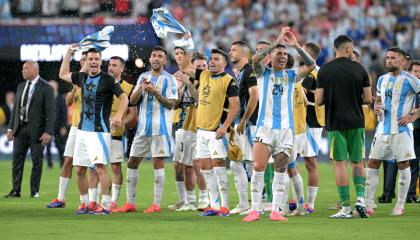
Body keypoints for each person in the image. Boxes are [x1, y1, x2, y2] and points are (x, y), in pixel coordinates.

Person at [242, 27, 315, 222]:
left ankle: (275, 211)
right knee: (258, 166)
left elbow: (311, 64)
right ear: (271, 56)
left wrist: (296, 46)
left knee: (281, 169)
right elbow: (255, 59)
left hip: (285, 130)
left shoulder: (292, 75)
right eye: (279, 53)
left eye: (285, 53)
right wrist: (276, 42)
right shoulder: (262, 73)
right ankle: (255, 210)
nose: (283, 56)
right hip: (264, 128)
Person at [59, 46, 128, 214]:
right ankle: (85, 204)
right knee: (80, 169)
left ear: (100, 61)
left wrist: (118, 115)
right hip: (82, 130)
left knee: (100, 167)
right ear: (86, 61)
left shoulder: (108, 80)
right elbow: (62, 74)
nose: (94, 62)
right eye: (91, 59)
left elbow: (124, 98)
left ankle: (104, 205)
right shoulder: (81, 77)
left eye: (97, 59)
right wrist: (68, 53)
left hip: (100, 131)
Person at [115, 46, 178, 214]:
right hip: (142, 129)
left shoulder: (170, 79)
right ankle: (130, 203)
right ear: (150, 59)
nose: (156, 58)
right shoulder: (143, 76)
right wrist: (141, 89)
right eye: (154, 55)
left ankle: (156, 204)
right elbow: (132, 101)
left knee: (158, 163)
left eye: (160, 56)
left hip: (160, 129)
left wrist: (156, 93)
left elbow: (172, 104)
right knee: (132, 162)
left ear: (164, 60)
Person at [180, 39, 240, 217]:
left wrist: (225, 127)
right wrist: (186, 44)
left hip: (217, 130)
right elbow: (184, 67)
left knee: (219, 167)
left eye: (216, 59)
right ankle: (214, 205)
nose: (212, 61)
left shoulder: (228, 81)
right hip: (201, 130)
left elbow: (235, 106)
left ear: (224, 63)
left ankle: (225, 206)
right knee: (206, 169)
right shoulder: (204, 75)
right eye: (211, 59)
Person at [315, 35, 372, 219]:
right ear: (349, 49)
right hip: (356, 122)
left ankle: (346, 208)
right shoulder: (360, 70)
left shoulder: (325, 70)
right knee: (358, 161)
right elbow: (368, 99)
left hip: (335, 123)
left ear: (335, 48)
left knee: (339, 164)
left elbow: (318, 101)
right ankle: (361, 199)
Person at [365, 50, 419, 216]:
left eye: (393, 58)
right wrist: (376, 107)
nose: (389, 61)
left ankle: (400, 205)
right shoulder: (382, 79)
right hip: (382, 130)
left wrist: (414, 115)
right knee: (373, 162)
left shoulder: (412, 80)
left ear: (402, 61)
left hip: (401, 130)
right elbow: (379, 99)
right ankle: (368, 203)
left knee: (403, 164)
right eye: (387, 58)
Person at [5, 61, 55, 198]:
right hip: (20, 129)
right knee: (16, 160)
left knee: (37, 161)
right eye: (23, 68)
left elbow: (51, 112)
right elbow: (15, 109)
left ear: (35, 69)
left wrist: (48, 131)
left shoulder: (46, 88)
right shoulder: (21, 86)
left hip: (38, 131)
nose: (23, 71)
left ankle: (34, 191)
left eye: (26, 68)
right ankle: (16, 190)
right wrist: (10, 127)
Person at [46, 51, 88, 208]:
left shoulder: (97, 79)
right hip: (76, 127)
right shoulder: (77, 81)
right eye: (83, 59)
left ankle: (93, 201)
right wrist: (74, 90)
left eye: (88, 59)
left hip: (91, 129)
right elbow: (69, 102)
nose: (85, 62)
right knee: (68, 161)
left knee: (91, 167)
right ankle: (60, 198)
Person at [173, 51, 210, 211]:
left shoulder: (207, 81)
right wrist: (180, 89)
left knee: (197, 164)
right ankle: (189, 201)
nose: (202, 69)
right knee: (185, 165)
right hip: (183, 126)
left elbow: (198, 99)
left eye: (204, 66)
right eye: (198, 67)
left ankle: (204, 198)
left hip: (200, 127)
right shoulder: (183, 81)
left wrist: (187, 83)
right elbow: (174, 106)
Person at [228, 40, 259, 214]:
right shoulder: (240, 73)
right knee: (235, 163)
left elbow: (254, 96)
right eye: (231, 50)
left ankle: (256, 204)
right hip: (239, 124)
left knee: (251, 163)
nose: (231, 52)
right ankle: (244, 203)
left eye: (234, 50)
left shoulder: (248, 72)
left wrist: (244, 120)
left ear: (244, 54)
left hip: (248, 125)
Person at [107, 56, 136, 210]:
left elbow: (132, 113)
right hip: (98, 132)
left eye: (114, 65)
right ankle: (96, 201)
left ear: (122, 69)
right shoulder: (100, 83)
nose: (110, 68)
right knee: (96, 168)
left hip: (116, 134)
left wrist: (121, 122)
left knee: (116, 167)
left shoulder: (129, 88)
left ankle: (113, 202)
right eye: (109, 65)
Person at [45, 80, 68, 168]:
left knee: (60, 146)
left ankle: (62, 163)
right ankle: (49, 164)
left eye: (52, 86)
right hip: (48, 126)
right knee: (47, 146)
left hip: (59, 126)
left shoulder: (61, 98)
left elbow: (64, 114)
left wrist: (63, 126)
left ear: (56, 87)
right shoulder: (46, 98)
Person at [406, 60, 420, 203]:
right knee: (413, 164)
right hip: (413, 130)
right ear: (410, 72)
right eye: (415, 71)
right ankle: (411, 195)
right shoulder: (406, 89)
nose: (418, 74)